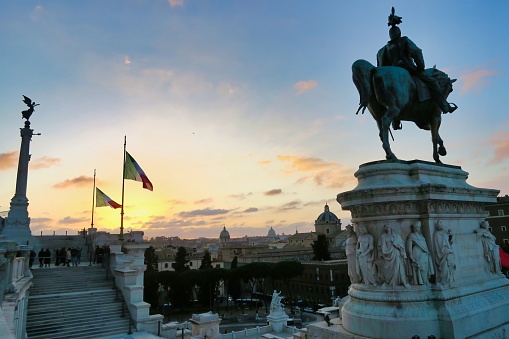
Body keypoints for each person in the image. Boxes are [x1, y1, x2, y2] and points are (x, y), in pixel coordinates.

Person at [376, 8, 457, 129]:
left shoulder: (382, 51)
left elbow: (381, 69)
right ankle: (445, 106)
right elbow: (417, 53)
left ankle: (396, 121)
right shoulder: (405, 41)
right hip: (407, 68)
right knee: (432, 82)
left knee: (394, 97)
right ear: (399, 33)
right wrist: (420, 68)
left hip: (390, 77)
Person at [406, 221, 434, 285]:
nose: (418, 228)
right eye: (417, 227)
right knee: (420, 268)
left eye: (419, 227)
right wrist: (411, 256)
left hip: (424, 253)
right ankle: (420, 281)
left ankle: (425, 280)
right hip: (416, 252)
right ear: (414, 228)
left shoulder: (421, 235)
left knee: (425, 267)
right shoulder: (411, 236)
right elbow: (409, 247)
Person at [433, 220, 456, 286]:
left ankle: (449, 280)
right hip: (443, 254)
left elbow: (448, 243)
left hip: (448, 253)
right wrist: (446, 251)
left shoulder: (444, 233)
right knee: (444, 268)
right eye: (441, 225)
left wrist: (451, 236)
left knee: (450, 266)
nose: (442, 227)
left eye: (442, 225)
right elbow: (439, 246)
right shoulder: (437, 234)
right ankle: (444, 281)